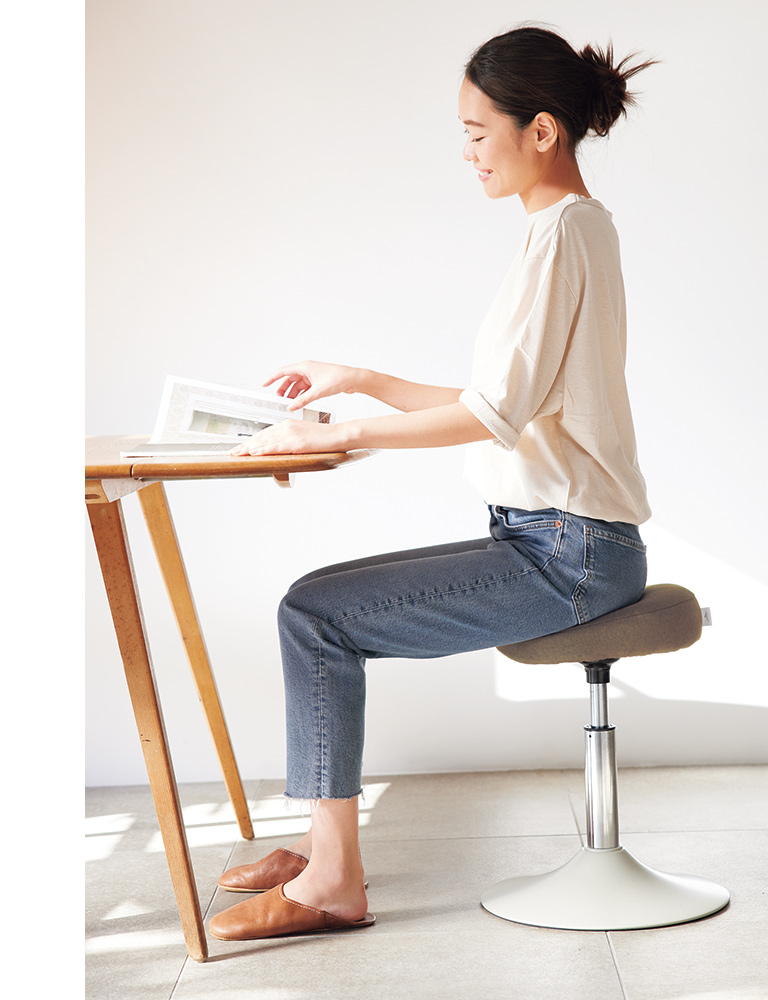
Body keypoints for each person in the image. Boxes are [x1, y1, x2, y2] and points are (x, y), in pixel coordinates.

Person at [208, 25, 656, 942]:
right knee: (314, 604)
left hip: (568, 554)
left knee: (316, 616)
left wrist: (347, 432)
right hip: (555, 540)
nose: (467, 152)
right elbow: (501, 401)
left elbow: (491, 413)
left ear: (541, 130)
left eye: (477, 131)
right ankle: (324, 850)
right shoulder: (565, 231)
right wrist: (360, 382)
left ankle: (333, 880)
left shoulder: (565, 234)